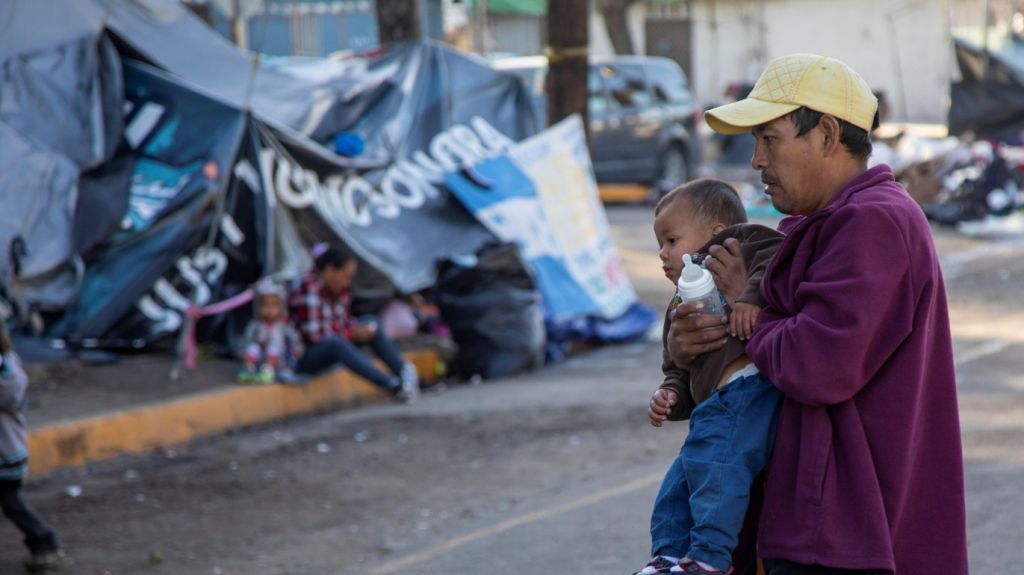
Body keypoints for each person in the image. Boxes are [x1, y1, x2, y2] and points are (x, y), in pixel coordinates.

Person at [668, 54, 968, 575]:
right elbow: (756, 380)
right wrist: (691, 348)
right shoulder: (813, 226)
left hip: (844, 536)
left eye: (770, 139)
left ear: (827, 134)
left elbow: (816, 363)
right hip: (809, 529)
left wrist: (747, 307)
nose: (757, 160)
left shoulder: (874, 223)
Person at [635, 179, 784, 575]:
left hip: (745, 393)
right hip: (710, 410)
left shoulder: (743, 246)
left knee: (717, 475)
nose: (663, 256)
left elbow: (778, 256)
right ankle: (667, 556)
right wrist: (670, 393)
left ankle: (709, 558)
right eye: (660, 246)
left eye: (671, 240)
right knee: (677, 484)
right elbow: (676, 367)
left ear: (717, 234)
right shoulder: (680, 305)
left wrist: (749, 299)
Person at [289, 244, 419, 403]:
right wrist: (351, 334)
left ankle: (405, 375)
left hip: (335, 342)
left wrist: (357, 329)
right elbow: (315, 337)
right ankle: (391, 385)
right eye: (345, 276)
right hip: (304, 357)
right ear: (330, 270)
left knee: (372, 323)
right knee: (337, 344)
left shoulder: (339, 290)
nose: (347, 282)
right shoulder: (309, 288)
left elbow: (342, 322)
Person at [0, 324, 67, 572]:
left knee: (13, 503)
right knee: (13, 503)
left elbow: (12, 393)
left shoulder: (6, 366)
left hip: (6, 455)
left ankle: (45, 543)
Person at [237, 278, 304, 385]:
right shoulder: (256, 325)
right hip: (260, 356)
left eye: (274, 305)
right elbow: (247, 339)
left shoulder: (283, 325)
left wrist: (297, 349)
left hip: (280, 359)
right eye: (265, 305)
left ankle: (268, 370)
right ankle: (249, 368)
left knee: (274, 348)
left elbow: (293, 339)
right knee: (253, 348)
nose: (269, 310)